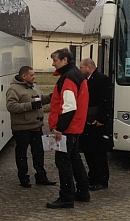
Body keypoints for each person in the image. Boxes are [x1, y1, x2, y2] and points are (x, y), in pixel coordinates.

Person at [46, 48, 90, 209]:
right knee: (74, 160)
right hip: (76, 127)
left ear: (64, 60)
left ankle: (66, 196)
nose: (53, 64)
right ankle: (83, 191)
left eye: (55, 60)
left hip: (68, 128)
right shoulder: (77, 75)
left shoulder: (69, 78)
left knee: (63, 162)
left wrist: (60, 128)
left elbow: (69, 107)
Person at [6, 66, 56, 188]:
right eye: (32, 75)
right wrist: (31, 105)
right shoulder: (14, 89)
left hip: (36, 127)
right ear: (24, 76)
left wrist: (51, 96)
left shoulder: (34, 86)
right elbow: (11, 106)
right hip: (22, 128)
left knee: (39, 153)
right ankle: (24, 178)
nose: (34, 77)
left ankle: (41, 177)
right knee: (22, 154)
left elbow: (40, 99)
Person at [79, 58, 113, 191]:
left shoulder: (102, 79)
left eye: (81, 67)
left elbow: (106, 101)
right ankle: (92, 177)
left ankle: (102, 180)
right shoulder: (87, 80)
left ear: (89, 67)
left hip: (98, 123)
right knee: (89, 152)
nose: (80, 70)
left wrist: (102, 119)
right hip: (88, 121)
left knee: (99, 154)